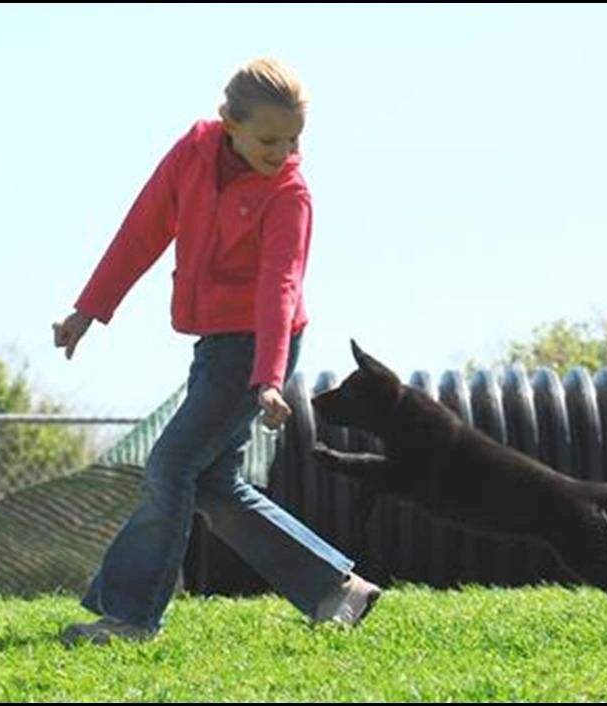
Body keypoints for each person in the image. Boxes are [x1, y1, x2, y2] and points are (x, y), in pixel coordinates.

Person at [53, 58, 381, 646]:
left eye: (294, 139)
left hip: (257, 346)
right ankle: (338, 591)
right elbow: (143, 228)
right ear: (228, 121)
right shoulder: (194, 153)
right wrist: (89, 309)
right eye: (269, 138)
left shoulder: (290, 195)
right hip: (217, 345)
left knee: (171, 465)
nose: (282, 151)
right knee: (210, 484)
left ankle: (130, 618)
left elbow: (281, 288)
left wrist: (269, 377)